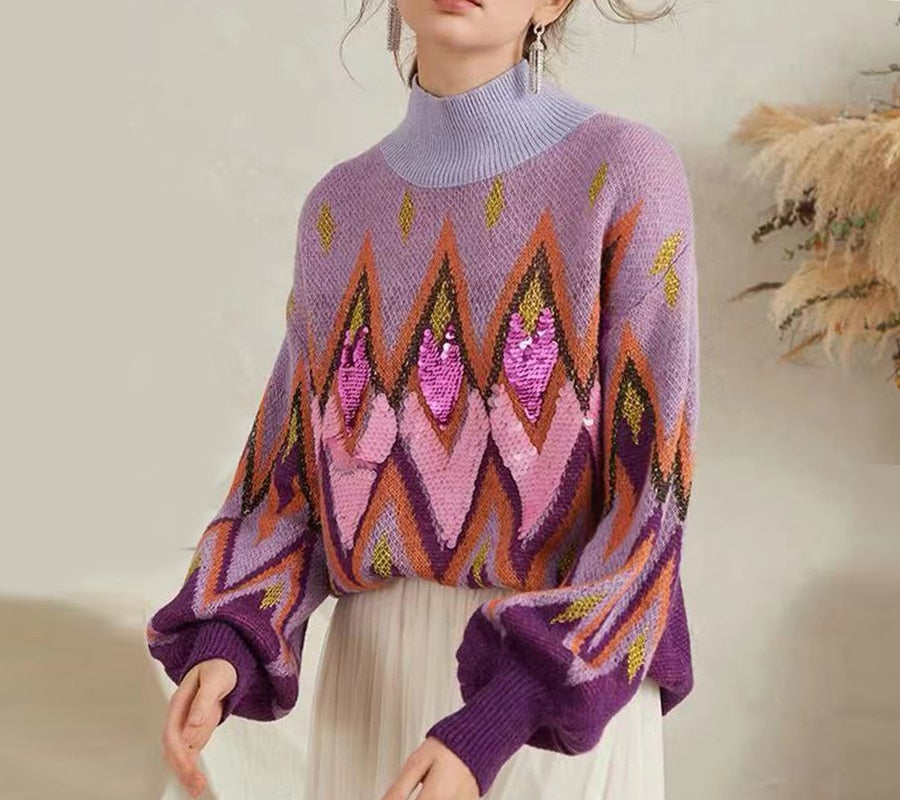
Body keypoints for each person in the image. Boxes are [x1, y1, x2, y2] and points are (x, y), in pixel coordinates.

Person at [145, 1, 700, 798]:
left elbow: (653, 501)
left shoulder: (625, 172)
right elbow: (292, 480)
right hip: (372, 679)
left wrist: (498, 719)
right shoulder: (338, 210)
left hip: (552, 697)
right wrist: (226, 646)